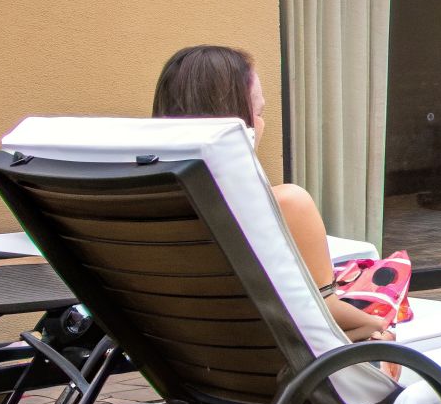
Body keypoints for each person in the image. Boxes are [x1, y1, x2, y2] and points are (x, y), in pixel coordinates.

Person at [152, 45, 392, 341]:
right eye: (259, 113)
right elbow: (323, 312)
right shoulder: (285, 204)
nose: (263, 123)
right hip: (273, 359)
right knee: (383, 335)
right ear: (239, 126)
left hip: (185, 355)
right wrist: (376, 324)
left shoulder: (143, 210)